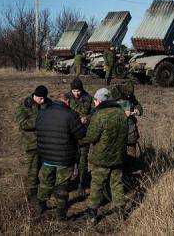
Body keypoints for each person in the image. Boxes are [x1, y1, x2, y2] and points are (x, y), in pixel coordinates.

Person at [79, 88, 128, 224]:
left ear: (99, 101)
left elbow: (91, 137)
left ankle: (92, 214)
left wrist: (78, 139)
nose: (94, 103)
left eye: (95, 100)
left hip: (101, 159)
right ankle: (121, 212)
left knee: (97, 185)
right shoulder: (121, 113)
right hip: (118, 158)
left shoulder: (99, 115)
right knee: (117, 184)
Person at [35, 93, 87, 221]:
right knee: (62, 187)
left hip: (46, 156)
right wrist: (82, 124)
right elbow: (80, 135)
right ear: (67, 102)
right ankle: (61, 215)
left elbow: (38, 129)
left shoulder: (42, 113)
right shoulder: (71, 115)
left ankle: (41, 206)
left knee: (45, 183)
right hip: (64, 158)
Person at [15, 85, 52, 203]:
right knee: (33, 171)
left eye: (43, 98)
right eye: (39, 98)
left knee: (48, 170)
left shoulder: (49, 103)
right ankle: (32, 195)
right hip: (32, 144)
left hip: (47, 143)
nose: (41, 101)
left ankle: (46, 191)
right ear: (34, 95)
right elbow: (22, 124)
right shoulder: (25, 104)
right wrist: (39, 121)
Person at [65, 77, 93, 196]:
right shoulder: (66, 97)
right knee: (69, 160)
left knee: (82, 161)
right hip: (70, 135)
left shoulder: (88, 98)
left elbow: (95, 113)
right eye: (74, 91)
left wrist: (87, 118)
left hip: (83, 134)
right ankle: (67, 183)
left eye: (78, 90)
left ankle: (81, 184)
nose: (77, 93)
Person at [115, 81, 143, 157]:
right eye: (127, 95)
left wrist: (137, 111)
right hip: (117, 130)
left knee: (131, 153)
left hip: (130, 130)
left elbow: (138, 107)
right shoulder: (114, 95)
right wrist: (123, 113)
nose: (128, 97)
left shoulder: (130, 96)